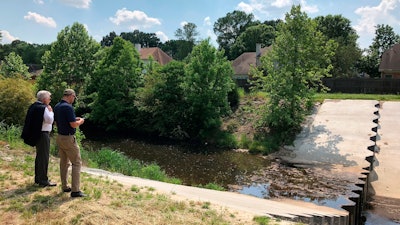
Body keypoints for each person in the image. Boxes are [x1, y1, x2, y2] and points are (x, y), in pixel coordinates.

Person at [54, 89, 86, 197]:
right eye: (74, 97)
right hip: (68, 138)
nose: (74, 99)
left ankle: (65, 186)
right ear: (71, 96)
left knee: (64, 163)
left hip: (60, 136)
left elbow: (57, 122)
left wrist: (73, 119)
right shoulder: (68, 107)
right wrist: (80, 121)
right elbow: (73, 125)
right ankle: (75, 190)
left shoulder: (57, 106)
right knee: (76, 163)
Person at [21, 90, 56, 187]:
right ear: (44, 99)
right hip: (43, 134)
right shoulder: (44, 108)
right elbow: (49, 120)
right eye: (49, 98)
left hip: (36, 134)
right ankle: (43, 180)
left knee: (39, 157)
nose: (50, 100)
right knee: (44, 157)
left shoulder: (33, 106)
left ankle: (38, 178)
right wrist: (51, 111)